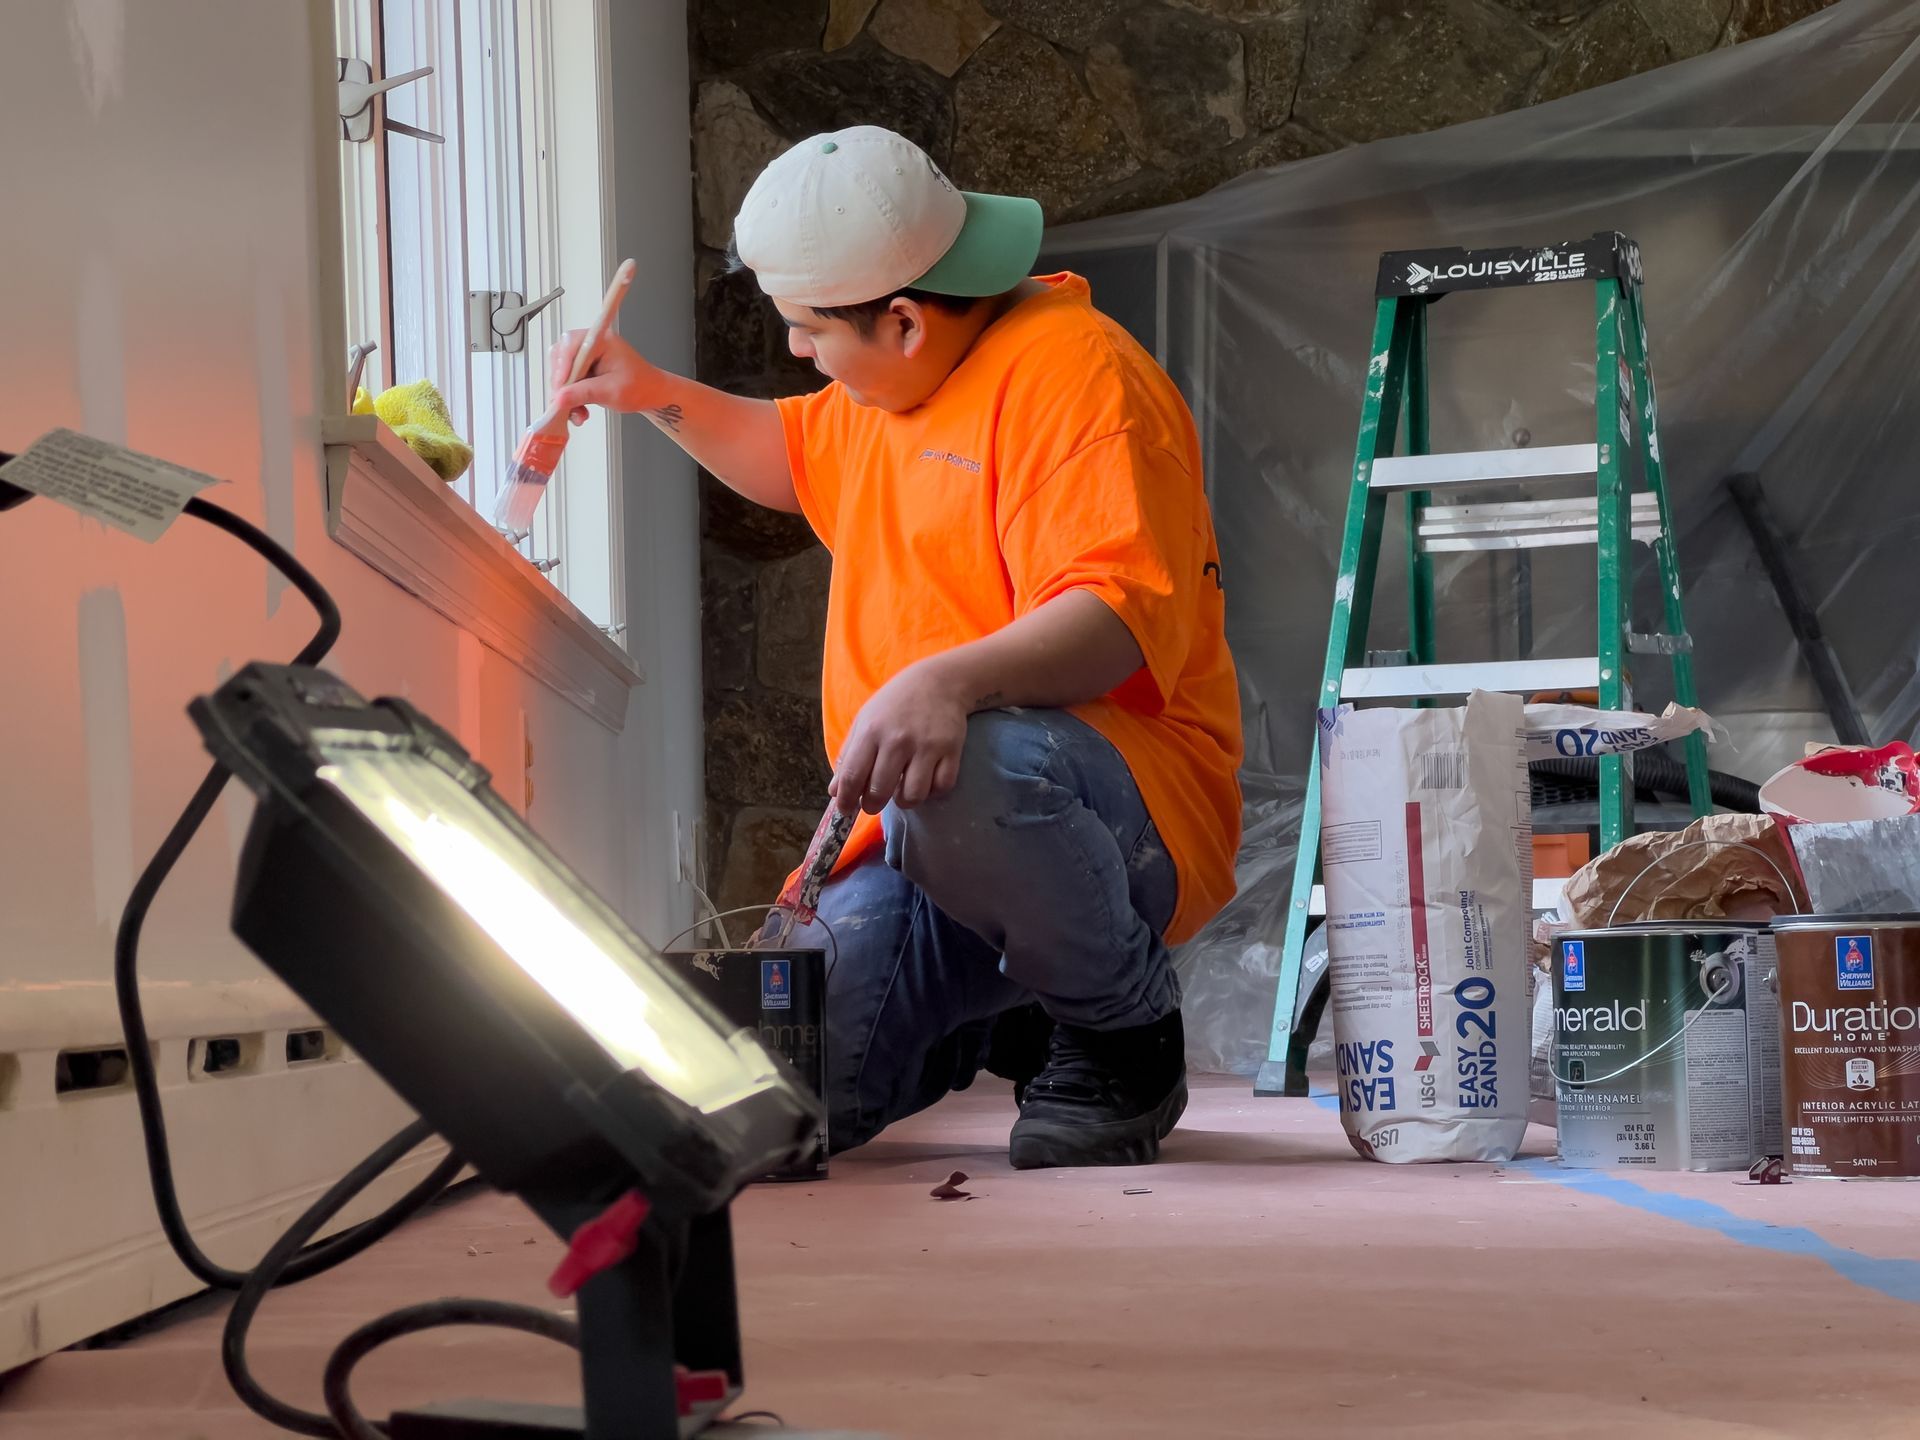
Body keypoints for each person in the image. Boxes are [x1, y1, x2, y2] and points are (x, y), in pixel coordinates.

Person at [550, 126, 1242, 1169]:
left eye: (807, 330)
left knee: (970, 768)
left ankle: (1119, 1033)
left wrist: (945, 684)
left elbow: (1114, 620)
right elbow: (791, 453)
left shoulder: (1079, 379)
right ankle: (1013, 1002)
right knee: (764, 1100)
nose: (797, 352)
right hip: (921, 832)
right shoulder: (894, 388)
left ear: (906, 321)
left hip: (1091, 802)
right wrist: (651, 393)